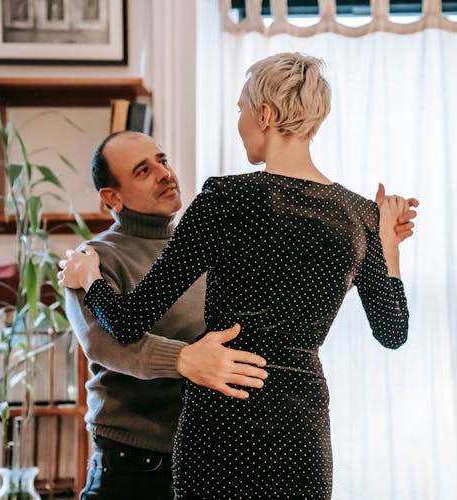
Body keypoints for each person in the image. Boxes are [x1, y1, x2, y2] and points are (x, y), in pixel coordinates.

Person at [60, 52, 418, 499]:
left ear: (265, 114)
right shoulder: (362, 214)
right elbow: (393, 332)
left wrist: (91, 278)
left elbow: (128, 321)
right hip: (301, 430)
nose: (241, 121)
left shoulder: (225, 198)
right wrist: (389, 245)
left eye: (241, 110)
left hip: (223, 424)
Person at [66, 131, 273, 500]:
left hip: (210, 456)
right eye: (143, 171)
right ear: (112, 197)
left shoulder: (200, 246)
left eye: (162, 160)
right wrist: (183, 359)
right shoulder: (92, 260)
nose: (165, 174)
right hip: (136, 463)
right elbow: (106, 343)